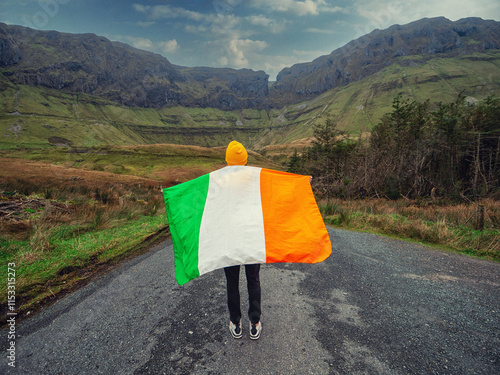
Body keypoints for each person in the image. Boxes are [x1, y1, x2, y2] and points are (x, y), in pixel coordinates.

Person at [223, 140, 262, 340]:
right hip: (252, 238)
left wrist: (172, 195)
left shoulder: (218, 183)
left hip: (230, 240)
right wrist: (301, 184)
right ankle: (254, 323)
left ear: (227, 162)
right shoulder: (257, 180)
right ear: (246, 161)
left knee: (232, 282)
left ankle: (236, 323)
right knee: (253, 280)